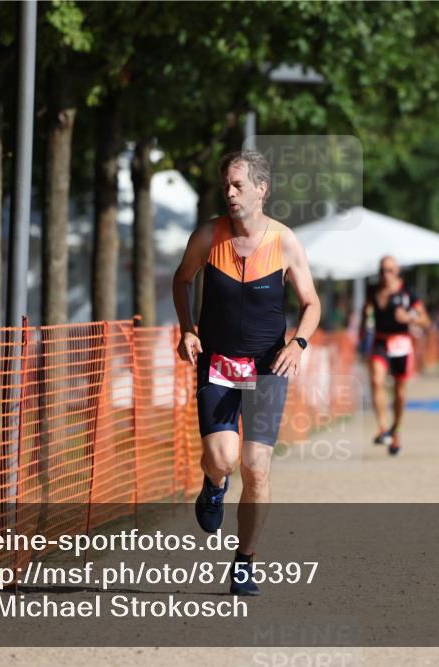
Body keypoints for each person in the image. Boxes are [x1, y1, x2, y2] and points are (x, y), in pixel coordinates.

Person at [171, 150, 321, 596]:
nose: (230, 194)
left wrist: (298, 343)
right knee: (221, 458)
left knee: (256, 466)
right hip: (217, 363)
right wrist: (187, 329)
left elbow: (311, 303)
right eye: (226, 186)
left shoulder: (285, 241)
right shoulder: (208, 236)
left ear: (262, 189)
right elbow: (181, 281)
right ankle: (214, 484)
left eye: (238, 185)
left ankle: (244, 561)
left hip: (267, 366)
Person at [362, 256, 431, 455]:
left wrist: (410, 318)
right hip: (380, 341)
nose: (386, 274)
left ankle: (396, 429)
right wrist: (362, 340)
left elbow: (426, 321)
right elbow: (365, 315)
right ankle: (383, 428)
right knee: (376, 380)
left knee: (400, 392)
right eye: (383, 270)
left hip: (401, 342)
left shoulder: (407, 292)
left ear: (397, 271)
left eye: (390, 270)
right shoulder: (373, 290)